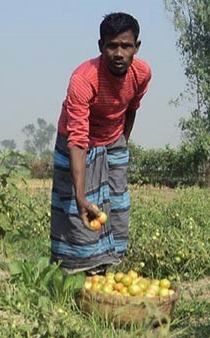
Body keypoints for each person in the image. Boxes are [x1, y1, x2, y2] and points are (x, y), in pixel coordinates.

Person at [50, 12, 151, 275]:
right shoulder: (84, 79)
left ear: (136, 47)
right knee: (74, 206)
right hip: (76, 141)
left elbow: (132, 108)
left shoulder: (142, 74)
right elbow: (78, 138)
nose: (119, 53)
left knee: (117, 205)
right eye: (112, 46)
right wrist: (81, 195)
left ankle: (106, 266)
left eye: (126, 46)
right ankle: (73, 272)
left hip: (113, 139)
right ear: (100, 46)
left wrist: (120, 147)